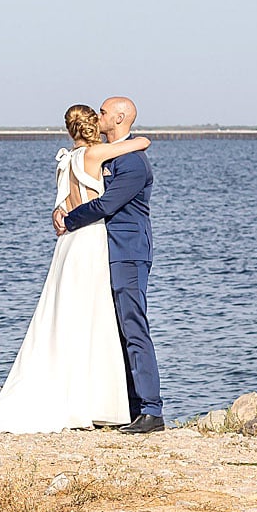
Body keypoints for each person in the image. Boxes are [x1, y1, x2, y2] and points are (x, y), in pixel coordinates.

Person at [0, 104, 150, 434]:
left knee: (62, 314)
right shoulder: (96, 155)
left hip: (67, 245)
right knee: (93, 318)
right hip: (89, 238)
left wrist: (62, 217)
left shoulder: (66, 161)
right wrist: (139, 139)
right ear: (91, 126)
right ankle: (98, 402)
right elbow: (140, 143)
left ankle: (68, 392)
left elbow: (60, 205)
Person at [55, 96, 165, 433]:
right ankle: (126, 406)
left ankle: (150, 410)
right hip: (105, 250)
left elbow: (107, 204)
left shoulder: (132, 163)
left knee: (133, 326)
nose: (97, 116)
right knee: (112, 328)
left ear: (119, 118)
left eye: (103, 112)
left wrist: (69, 219)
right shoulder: (110, 154)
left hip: (128, 251)